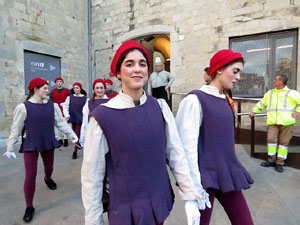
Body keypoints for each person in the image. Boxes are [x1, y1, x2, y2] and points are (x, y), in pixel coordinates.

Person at [81, 40, 210, 225]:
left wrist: (190, 195)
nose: (137, 69)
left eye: (142, 64)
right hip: (125, 209)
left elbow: (175, 153)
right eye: (129, 64)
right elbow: (92, 176)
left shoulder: (159, 107)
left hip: (159, 202)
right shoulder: (102, 117)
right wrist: (93, 220)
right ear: (118, 73)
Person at [176, 49, 254, 225]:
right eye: (235, 71)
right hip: (204, 179)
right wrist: (191, 191)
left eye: (239, 72)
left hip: (228, 174)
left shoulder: (225, 99)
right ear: (219, 69)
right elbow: (185, 148)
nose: (238, 77)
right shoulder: (194, 100)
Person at [3, 78, 78, 223]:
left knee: (49, 167)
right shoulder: (23, 107)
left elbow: (61, 123)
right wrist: (10, 147)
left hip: (48, 141)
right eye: (44, 88)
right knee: (30, 175)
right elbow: (15, 128)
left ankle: (47, 178)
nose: (47, 90)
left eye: (47, 88)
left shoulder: (52, 106)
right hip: (31, 143)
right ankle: (29, 206)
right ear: (35, 89)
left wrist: (73, 136)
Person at [249, 74, 300, 172]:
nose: (273, 81)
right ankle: (271, 160)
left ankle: (280, 162)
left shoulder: (292, 93)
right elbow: (262, 103)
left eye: (276, 79)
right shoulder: (270, 93)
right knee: (271, 140)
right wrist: (254, 111)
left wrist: (297, 112)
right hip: (273, 122)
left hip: (286, 123)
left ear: (281, 82)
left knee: (283, 143)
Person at [79, 78, 109, 147]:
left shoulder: (110, 102)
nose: (99, 90)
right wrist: (83, 137)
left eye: (101, 88)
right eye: (97, 88)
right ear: (94, 89)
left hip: (108, 134)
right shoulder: (89, 104)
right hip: (94, 134)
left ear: (104, 89)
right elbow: (85, 122)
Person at [63, 82, 87, 159]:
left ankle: (75, 151)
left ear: (80, 89)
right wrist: (66, 115)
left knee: (76, 134)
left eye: (77, 88)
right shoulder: (69, 98)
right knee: (73, 133)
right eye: (75, 88)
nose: (76, 89)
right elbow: (65, 107)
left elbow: (86, 109)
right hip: (72, 117)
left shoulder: (85, 98)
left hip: (80, 118)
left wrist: (85, 117)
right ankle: (78, 143)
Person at [50, 77, 70, 147]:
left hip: (64, 110)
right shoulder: (52, 92)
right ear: (56, 83)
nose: (59, 82)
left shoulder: (67, 91)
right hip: (56, 110)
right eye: (58, 81)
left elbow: (69, 101)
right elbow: (51, 102)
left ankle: (65, 139)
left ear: (62, 82)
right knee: (57, 126)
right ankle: (59, 139)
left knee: (65, 125)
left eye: (60, 81)